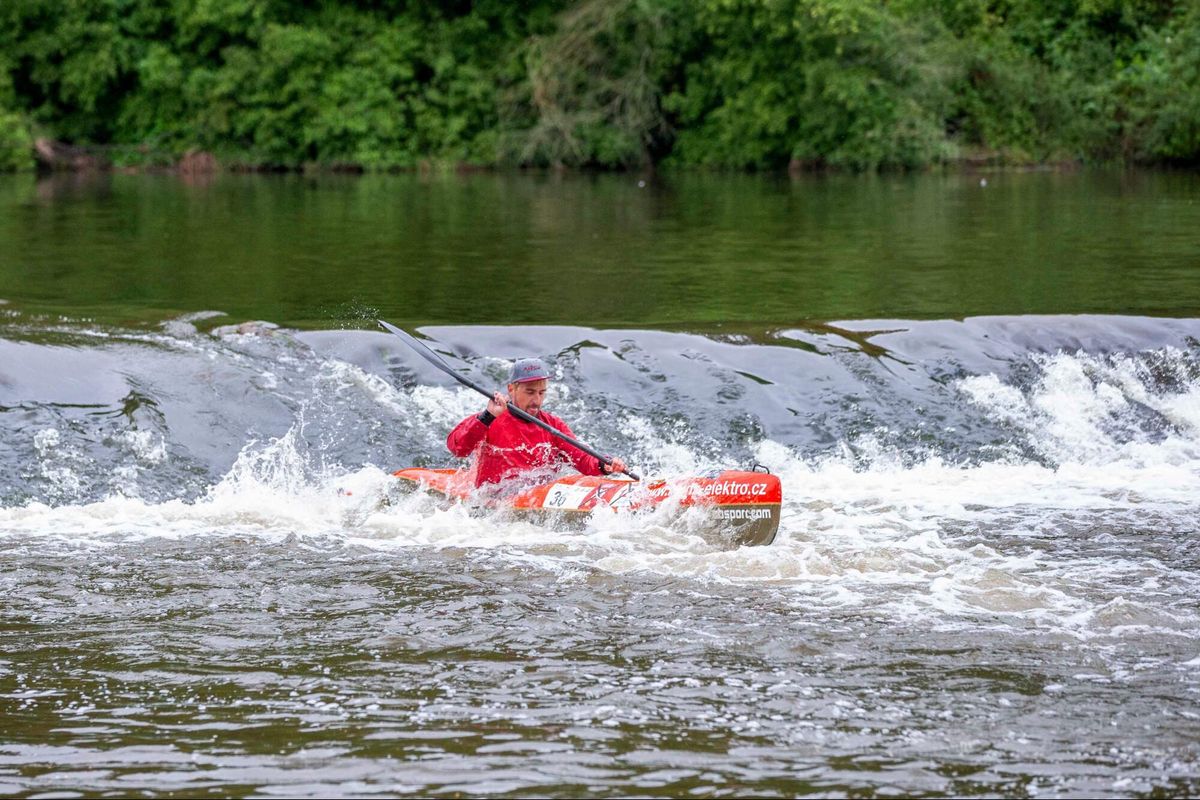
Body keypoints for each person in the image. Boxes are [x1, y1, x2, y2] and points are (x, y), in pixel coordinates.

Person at [447, 358, 628, 488]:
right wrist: (487, 416)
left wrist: (604, 465)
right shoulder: (490, 418)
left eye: (542, 393)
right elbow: (458, 448)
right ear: (512, 389)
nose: (536, 400)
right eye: (530, 392)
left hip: (536, 496)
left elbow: (581, 459)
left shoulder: (553, 425)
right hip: (492, 500)